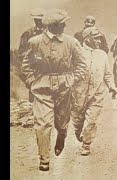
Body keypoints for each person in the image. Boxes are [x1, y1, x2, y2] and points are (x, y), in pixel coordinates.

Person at [21, 9, 87, 171]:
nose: (64, 26)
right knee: (42, 123)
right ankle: (44, 159)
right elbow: (26, 65)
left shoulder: (71, 42)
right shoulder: (35, 42)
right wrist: (32, 81)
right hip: (41, 85)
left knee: (61, 121)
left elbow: (82, 65)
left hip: (64, 85)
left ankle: (62, 134)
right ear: (53, 26)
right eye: (62, 24)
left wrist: (71, 79)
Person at [71, 27, 117, 156]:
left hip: (97, 93)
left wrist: (112, 87)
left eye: (99, 38)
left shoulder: (102, 54)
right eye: (95, 38)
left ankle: (86, 144)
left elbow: (107, 74)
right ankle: (79, 131)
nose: (98, 41)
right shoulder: (76, 53)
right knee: (77, 121)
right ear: (87, 39)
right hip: (78, 94)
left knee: (91, 120)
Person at [18, 9, 46, 103]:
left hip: (48, 68)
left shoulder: (50, 33)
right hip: (33, 68)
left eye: (40, 19)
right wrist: (32, 58)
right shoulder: (28, 34)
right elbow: (21, 52)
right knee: (33, 90)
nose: (38, 22)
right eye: (36, 19)